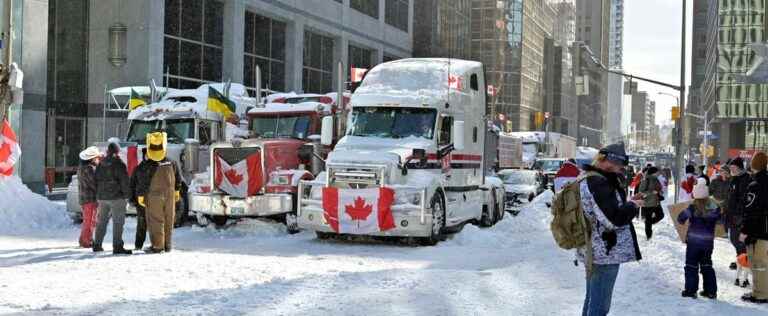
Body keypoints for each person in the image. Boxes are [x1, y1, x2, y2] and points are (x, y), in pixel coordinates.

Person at [579, 143, 644, 316]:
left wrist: (629, 202)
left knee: (592, 300)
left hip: (596, 249)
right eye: (619, 167)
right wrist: (632, 206)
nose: (620, 171)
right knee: (599, 307)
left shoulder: (591, 178)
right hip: (604, 253)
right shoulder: (598, 182)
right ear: (608, 162)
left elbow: (604, 211)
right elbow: (612, 220)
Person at [133, 131, 182, 253]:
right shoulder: (172, 162)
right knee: (168, 219)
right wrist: (177, 191)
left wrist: (140, 195)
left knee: (156, 220)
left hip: (154, 196)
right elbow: (178, 178)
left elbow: (141, 182)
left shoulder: (146, 165)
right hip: (170, 196)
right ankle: (167, 245)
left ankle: (158, 246)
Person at [678, 178, 721, 299]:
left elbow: (680, 219)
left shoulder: (692, 208)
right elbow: (721, 220)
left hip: (693, 243)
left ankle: (691, 290)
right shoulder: (715, 208)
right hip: (708, 243)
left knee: (691, 265)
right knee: (707, 265)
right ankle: (710, 291)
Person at [93, 142, 132, 255]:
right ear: (117, 151)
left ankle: (97, 244)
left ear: (107, 151)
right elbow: (124, 182)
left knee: (101, 221)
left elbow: (96, 179)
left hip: (102, 197)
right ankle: (117, 246)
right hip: (117, 198)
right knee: (118, 222)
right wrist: (128, 196)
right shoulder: (119, 164)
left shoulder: (101, 163)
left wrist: (98, 194)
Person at [740, 152, 768, 304]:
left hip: (758, 230)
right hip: (765, 228)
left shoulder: (755, 185)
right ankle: (760, 291)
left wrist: (744, 230)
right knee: (761, 263)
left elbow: (751, 210)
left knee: (758, 263)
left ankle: (761, 294)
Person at [727, 157, 750, 270]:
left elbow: (743, 198)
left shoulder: (746, 179)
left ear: (740, 167)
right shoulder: (734, 179)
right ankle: (741, 259)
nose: (732, 169)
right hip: (732, 214)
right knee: (733, 239)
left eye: (734, 167)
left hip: (740, 215)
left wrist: (739, 213)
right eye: (731, 167)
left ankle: (744, 262)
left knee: (740, 241)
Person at [77, 146, 101, 248]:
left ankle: (83, 239)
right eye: (97, 158)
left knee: (87, 220)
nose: (98, 159)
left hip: (84, 198)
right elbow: (94, 184)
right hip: (90, 199)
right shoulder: (90, 169)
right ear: (92, 159)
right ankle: (87, 241)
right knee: (90, 221)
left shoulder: (82, 168)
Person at [638, 166, 664, 240]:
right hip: (648, 203)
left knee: (661, 215)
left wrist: (659, 191)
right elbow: (641, 192)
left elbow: (658, 189)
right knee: (648, 219)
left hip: (656, 202)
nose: (658, 173)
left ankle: (648, 223)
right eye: (657, 172)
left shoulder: (656, 179)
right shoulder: (646, 179)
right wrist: (651, 192)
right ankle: (648, 236)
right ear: (654, 173)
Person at [130, 148, 148, 250]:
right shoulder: (138, 169)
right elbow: (132, 185)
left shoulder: (157, 167)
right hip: (140, 201)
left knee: (155, 223)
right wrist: (132, 199)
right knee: (142, 224)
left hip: (154, 200)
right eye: (146, 155)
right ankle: (138, 245)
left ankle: (158, 244)